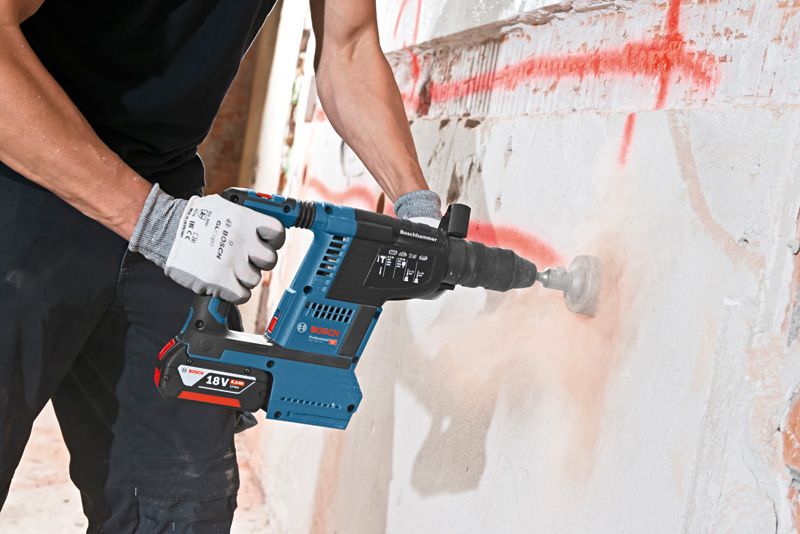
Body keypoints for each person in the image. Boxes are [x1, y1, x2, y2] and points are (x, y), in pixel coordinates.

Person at [0, 0, 441, 531]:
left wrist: (415, 206)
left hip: (164, 189)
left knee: (182, 503)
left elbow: (348, 47)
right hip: (22, 172)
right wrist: (156, 223)